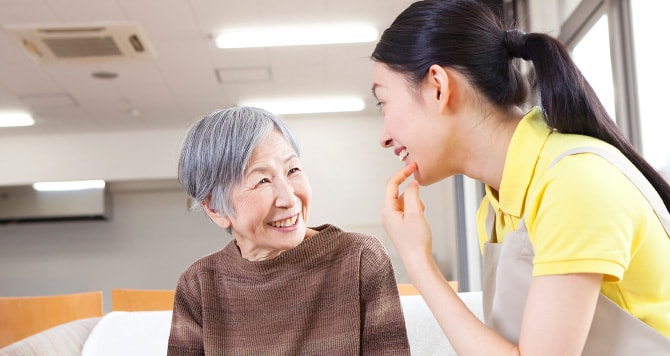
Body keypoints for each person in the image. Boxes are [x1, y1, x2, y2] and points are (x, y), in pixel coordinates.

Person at [370, 0, 670, 354]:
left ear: (438, 86)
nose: (384, 136)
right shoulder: (496, 206)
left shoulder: (573, 183)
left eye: (383, 102)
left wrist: (418, 262)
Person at [167, 106, 410, 355]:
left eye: (292, 170)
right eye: (262, 180)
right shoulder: (199, 285)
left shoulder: (359, 259)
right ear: (216, 209)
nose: (289, 198)